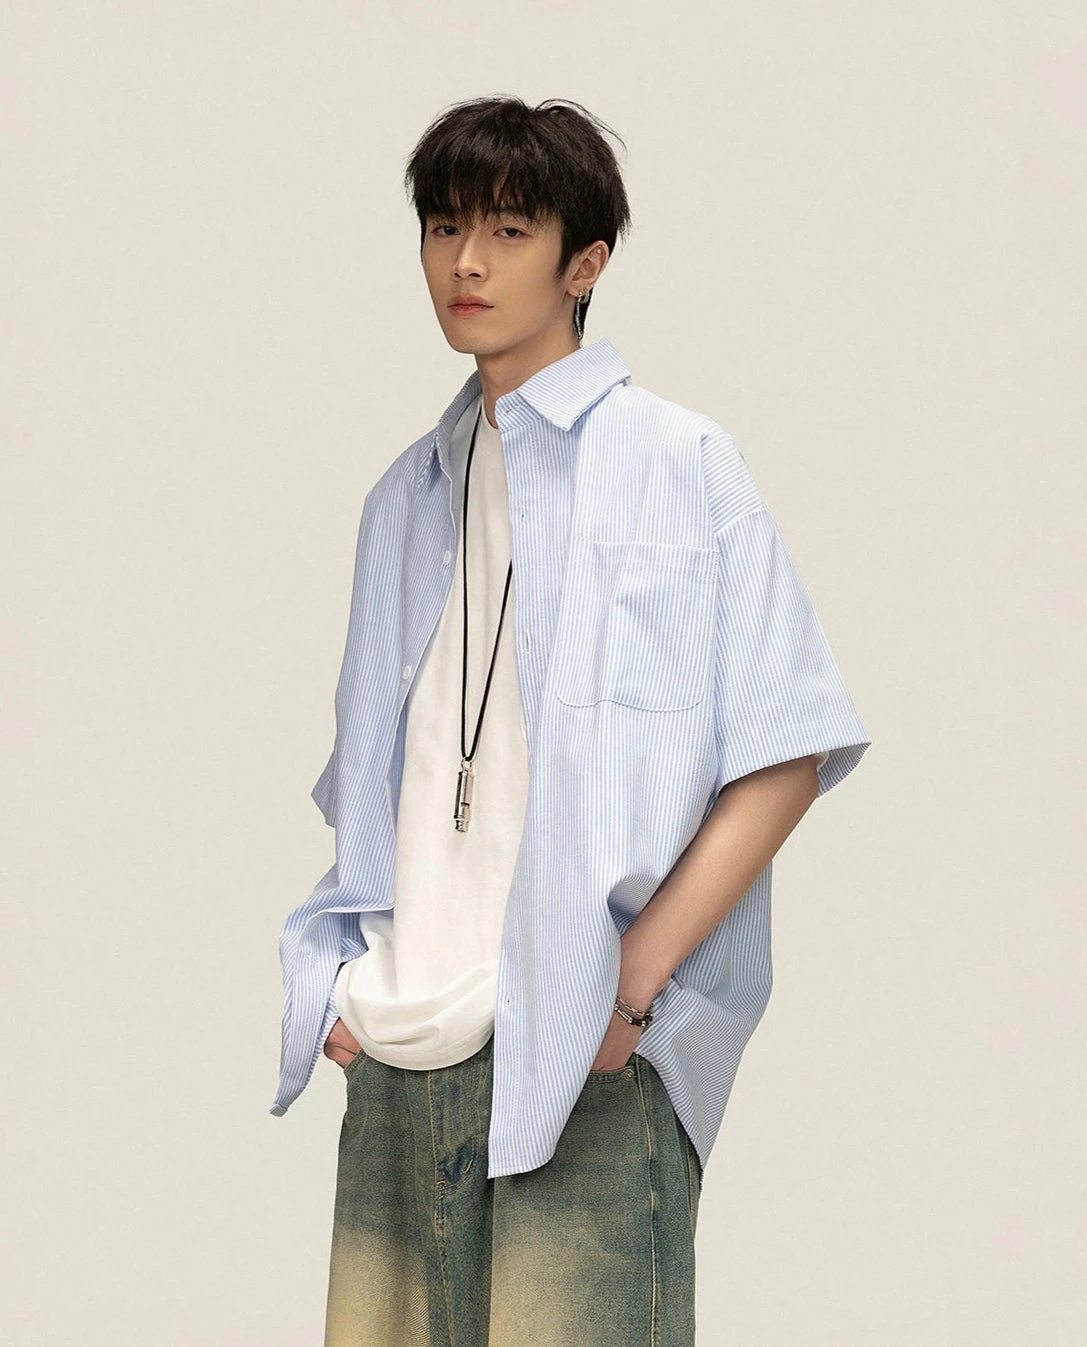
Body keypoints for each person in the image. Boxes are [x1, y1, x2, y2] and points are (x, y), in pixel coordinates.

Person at [270, 95, 871, 1347]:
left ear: (583, 264)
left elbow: (786, 749)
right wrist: (346, 983)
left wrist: (631, 984)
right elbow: (391, 780)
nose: (466, 263)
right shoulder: (403, 499)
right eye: (443, 228)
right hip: (401, 1052)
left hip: (587, 1052)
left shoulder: (676, 462)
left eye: (507, 231)